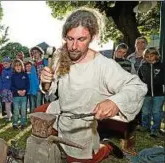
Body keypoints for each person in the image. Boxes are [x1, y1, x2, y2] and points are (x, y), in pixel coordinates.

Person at [39, 7, 147, 163]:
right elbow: (51, 88)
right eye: (70, 39)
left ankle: (105, 148)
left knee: (76, 159)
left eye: (81, 39)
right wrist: (46, 82)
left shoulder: (104, 65)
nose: (74, 46)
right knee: (38, 119)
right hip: (59, 111)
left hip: (82, 125)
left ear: (92, 37)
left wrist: (115, 102)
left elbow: (137, 86)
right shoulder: (59, 56)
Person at [138, 47, 164, 138]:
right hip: (146, 94)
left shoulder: (161, 66)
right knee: (145, 112)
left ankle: (155, 129)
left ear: (156, 56)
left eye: (151, 56)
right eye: (147, 56)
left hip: (159, 94)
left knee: (157, 112)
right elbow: (139, 79)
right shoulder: (143, 67)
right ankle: (145, 126)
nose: (149, 58)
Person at [11, 59, 30, 129]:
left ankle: (23, 123)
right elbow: (11, 86)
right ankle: (15, 123)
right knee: (16, 110)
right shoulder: (13, 75)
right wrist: (17, 91)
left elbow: (28, 85)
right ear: (14, 67)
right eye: (16, 66)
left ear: (22, 66)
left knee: (23, 110)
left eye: (19, 65)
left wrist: (25, 90)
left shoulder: (25, 74)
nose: (18, 67)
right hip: (16, 96)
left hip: (24, 96)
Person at [1, 56, 13, 121]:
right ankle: (9, 116)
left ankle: (11, 114)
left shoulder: (12, 70)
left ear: (10, 63)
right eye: (4, 64)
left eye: (6, 63)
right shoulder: (3, 71)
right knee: (7, 103)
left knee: (12, 103)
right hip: (5, 90)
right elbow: (3, 80)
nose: (5, 65)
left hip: (11, 89)